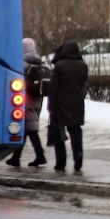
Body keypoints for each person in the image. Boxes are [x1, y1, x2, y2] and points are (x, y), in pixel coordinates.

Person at [47, 40, 89, 174]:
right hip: (77, 102)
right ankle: (78, 155)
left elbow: (53, 88)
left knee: (59, 133)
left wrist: (50, 105)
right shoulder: (83, 66)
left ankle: (61, 162)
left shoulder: (59, 66)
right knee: (75, 130)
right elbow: (84, 84)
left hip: (60, 103)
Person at [6, 38, 48, 167]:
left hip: (26, 97)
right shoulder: (38, 61)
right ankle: (16, 158)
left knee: (30, 128)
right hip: (37, 98)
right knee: (26, 128)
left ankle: (40, 156)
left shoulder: (22, 62)